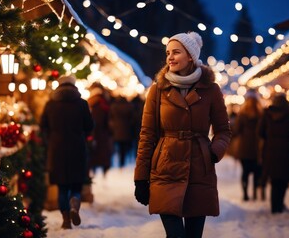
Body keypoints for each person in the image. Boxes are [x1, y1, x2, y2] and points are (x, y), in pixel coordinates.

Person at [134, 31, 231, 238]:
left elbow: (223, 130)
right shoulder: (158, 90)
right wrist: (140, 178)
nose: (170, 57)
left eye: (176, 52)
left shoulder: (211, 90)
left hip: (199, 169)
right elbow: (147, 134)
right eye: (168, 52)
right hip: (165, 169)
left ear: (190, 56)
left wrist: (214, 152)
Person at [40, 74, 94, 229]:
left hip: (56, 150)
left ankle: (65, 219)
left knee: (62, 187)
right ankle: (74, 204)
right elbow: (89, 126)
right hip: (77, 148)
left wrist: (49, 139)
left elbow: (43, 126)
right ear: (74, 85)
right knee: (76, 185)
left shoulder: (50, 104)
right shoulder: (82, 104)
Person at [258, 93, 289, 214]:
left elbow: (261, 131)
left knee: (274, 179)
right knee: (282, 179)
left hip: (270, 150)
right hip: (285, 150)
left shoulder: (267, 114)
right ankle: (279, 205)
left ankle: (275, 207)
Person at [234, 90, 264, 201]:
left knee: (245, 172)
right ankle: (255, 193)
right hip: (257, 147)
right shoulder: (261, 114)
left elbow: (236, 130)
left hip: (244, 147)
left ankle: (245, 194)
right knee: (257, 171)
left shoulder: (242, 115)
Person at [87, 83, 113, 176]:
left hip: (93, 132)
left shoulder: (90, 102)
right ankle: (104, 171)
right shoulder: (104, 102)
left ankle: (93, 170)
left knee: (94, 152)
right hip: (103, 132)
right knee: (103, 153)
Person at [109, 95, 136, 168]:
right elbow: (133, 118)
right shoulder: (129, 106)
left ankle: (117, 161)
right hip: (126, 129)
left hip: (116, 129)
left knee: (118, 146)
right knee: (124, 147)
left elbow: (111, 118)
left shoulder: (114, 106)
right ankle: (123, 161)